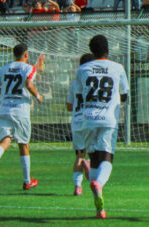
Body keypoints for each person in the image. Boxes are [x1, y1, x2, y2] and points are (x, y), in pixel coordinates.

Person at [75, 34, 128, 219]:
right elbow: (125, 94)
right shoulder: (117, 67)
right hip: (108, 118)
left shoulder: (82, 69)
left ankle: (100, 210)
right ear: (108, 49)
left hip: (88, 118)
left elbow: (80, 95)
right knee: (107, 157)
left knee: (94, 160)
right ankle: (99, 184)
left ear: (91, 50)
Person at [0, 44, 45, 189]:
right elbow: (28, 83)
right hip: (20, 109)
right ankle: (27, 181)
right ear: (26, 55)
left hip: (5, 108)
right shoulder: (29, 68)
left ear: (14, 54)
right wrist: (38, 96)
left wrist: (6, 93)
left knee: (5, 140)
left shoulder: (5, 68)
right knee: (23, 144)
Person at [66, 53, 94, 196]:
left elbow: (69, 106)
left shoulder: (74, 83)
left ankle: (78, 187)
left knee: (79, 155)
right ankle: (88, 164)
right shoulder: (93, 82)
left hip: (76, 122)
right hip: (89, 120)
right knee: (96, 153)